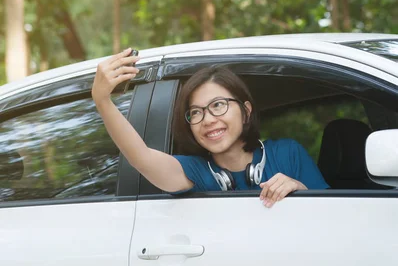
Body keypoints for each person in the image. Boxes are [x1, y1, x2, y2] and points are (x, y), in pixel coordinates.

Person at [92, 48, 328, 207]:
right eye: (196, 112)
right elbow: (142, 157)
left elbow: (332, 218)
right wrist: (102, 100)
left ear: (246, 111)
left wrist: (299, 188)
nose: (207, 119)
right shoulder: (195, 171)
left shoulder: (288, 153)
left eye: (218, 105)